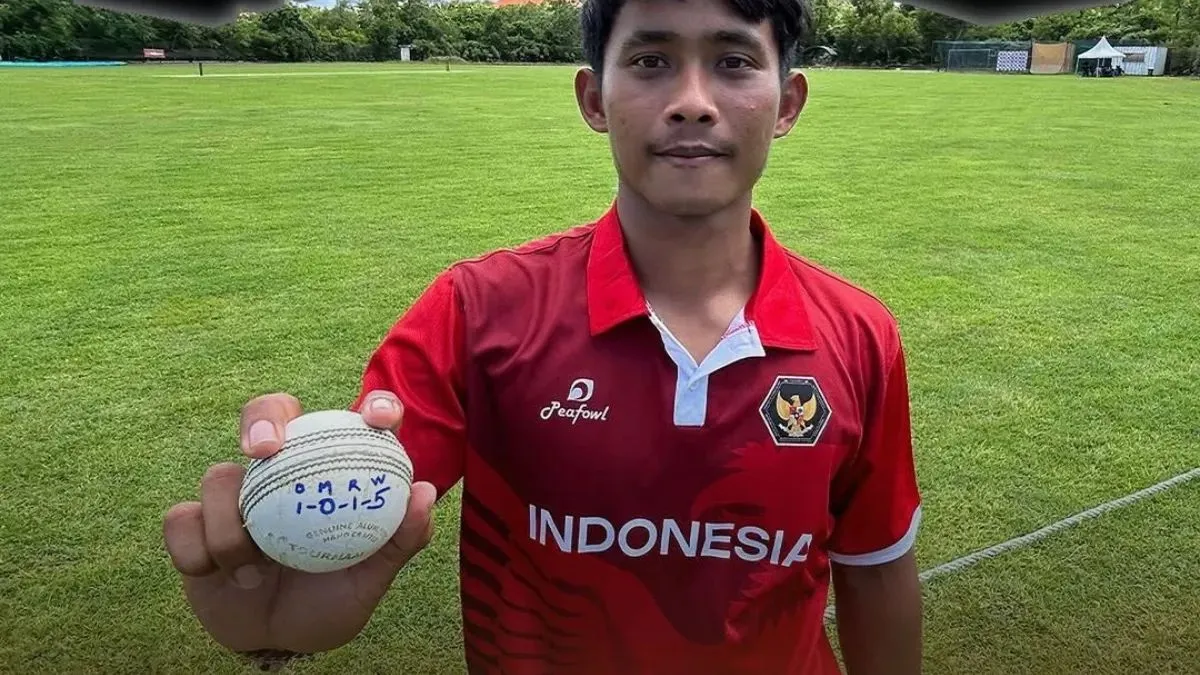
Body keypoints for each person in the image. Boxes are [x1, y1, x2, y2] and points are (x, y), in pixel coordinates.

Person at [162, 0, 924, 672]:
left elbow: (876, 566)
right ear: (594, 98)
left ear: (787, 103)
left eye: (733, 62)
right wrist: (282, 608)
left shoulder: (858, 334)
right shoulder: (477, 310)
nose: (692, 102)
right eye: (651, 61)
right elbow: (365, 500)